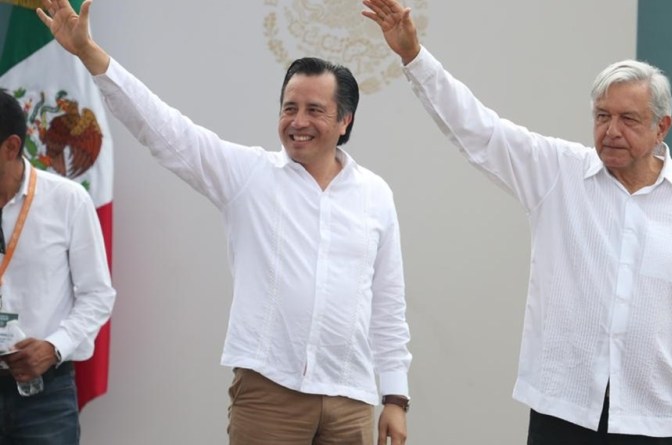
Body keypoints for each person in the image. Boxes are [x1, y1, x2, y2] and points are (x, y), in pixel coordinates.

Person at [363, 1, 672, 445]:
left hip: (657, 418)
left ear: (663, 127)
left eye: (628, 119)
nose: (611, 130)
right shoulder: (558, 173)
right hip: (564, 411)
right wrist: (414, 56)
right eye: (602, 116)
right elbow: (478, 129)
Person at [38, 0, 412, 444]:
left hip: (351, 399)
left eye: (315, 110)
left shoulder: (375, 195)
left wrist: (395, 397)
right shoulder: (249, 176)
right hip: (269, 394)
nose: (298, 122)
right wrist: (90, 54)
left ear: (345, 121)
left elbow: (387, 303)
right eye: (289, 108)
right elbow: (163, 128)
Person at [0, 89, 116, 444]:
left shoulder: (68, 201)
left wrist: (53, 347)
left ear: (11, 147)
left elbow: (97, 295)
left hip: (44, 396)